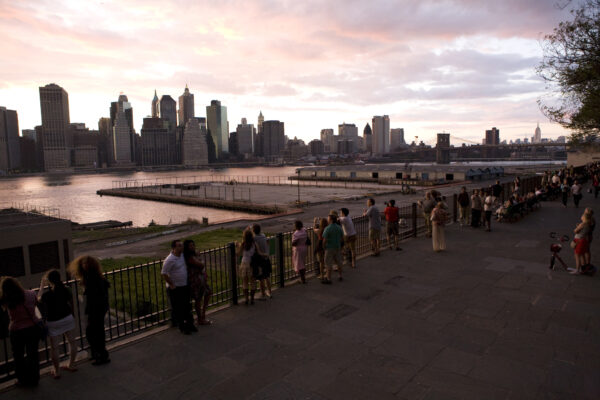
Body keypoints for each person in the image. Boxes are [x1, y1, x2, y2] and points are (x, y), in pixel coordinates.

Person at [68, 255, 111, 364]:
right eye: (83, 263)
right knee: (95, 331)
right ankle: (98, 354)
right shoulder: (92, 277)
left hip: (97, 308)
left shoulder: (93, 278)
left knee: (94, 332)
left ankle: (101, 355)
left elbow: (98, 293)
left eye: (87, 263)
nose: (85, 265)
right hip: (97, 308)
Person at [0, 277, 40, 386]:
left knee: (18, 356)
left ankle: (22, 380)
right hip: (32, 328)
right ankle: (34, 378)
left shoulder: (7, 300)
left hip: (16, 331)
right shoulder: (31, 294)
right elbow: (36, 303)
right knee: (33, 354)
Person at [38, 270, 77, 379]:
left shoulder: (47, 295)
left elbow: (38, 299)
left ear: (49, 281)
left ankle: (57, 371)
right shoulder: (66, 290)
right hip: (67, 317)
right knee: (72, 341)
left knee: (54, 347)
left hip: (54, 321)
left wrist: (41, 286)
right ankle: (72, 364)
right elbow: (71, 302)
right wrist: (72, 315)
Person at [161, 240, 196, 334]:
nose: (182, 247)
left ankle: (190, 324)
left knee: (187, 306)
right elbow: (164, 273)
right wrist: (172, 285)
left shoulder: (182, 255)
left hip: (184, 285)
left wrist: (196, 252)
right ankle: (182, 327)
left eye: (182, 246)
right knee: (178, 308)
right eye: (179, 246)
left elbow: (191, 252)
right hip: (176, 288)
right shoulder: (169, 260)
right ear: (174, 248)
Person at [182, 240, 212, 326]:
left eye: (193, 245)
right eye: (190, 246)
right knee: (198, 299)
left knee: (208, 293)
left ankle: (203, 315)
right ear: (187, 247)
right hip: (195, 280)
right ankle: (200, 318)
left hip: (200, 278)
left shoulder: (193, 255)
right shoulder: (189, 257)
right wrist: (199, 258)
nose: (192, 247)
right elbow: (201, 265)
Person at [236, 229, 267, 304]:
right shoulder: (254, 244)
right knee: (253, 283)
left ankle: (246, 299)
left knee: (245, 283)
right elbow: (259, 253)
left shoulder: (243, 244)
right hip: (252, 265)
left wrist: (237, 245)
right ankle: (252, 299)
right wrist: (265, 255)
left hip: (244, 264)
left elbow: (238, 254)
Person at [322, 212, 344, 283]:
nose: (327, 220)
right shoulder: (339, 227)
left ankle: (328, 278)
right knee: (339, 262)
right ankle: (340, 275)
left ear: (331, 220)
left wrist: (324, 247)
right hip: (337, 247)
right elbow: (342, 238)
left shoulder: (327, 228)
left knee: (328, 263)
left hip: (329, 248)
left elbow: (324, 240)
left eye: (328, 219)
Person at [252, 224, 272, 299]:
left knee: (261, 278)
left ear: (253, 231)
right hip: (266, 258)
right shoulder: (264, 236)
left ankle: (262, 293)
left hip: (260, 259)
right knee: (267, 276)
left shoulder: (254, 239)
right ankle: (270, 292)